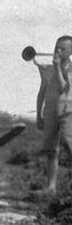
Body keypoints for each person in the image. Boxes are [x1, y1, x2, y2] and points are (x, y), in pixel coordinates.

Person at [35, 35, 72, 194]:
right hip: (50, 110)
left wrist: (58, 68)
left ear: (70, 52)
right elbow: (42, 92)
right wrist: (38, 114)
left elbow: (65, 88)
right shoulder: (47, 68)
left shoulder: (70, 68)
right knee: (51, 149)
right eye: (56, 47)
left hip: (66, 110)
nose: (57, 51)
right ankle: (51, 187)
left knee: (69, 144)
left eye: (62, 49)